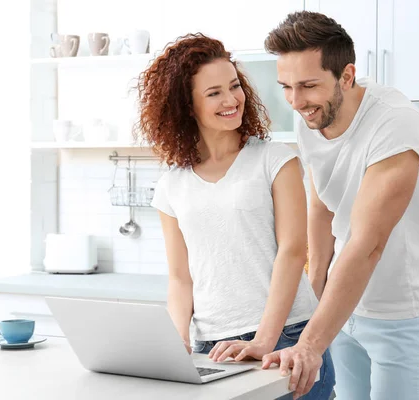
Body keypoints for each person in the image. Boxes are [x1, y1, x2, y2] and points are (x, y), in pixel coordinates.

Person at [135, 33, 335, 399]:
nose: (232, 100)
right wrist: (177, 338)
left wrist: (263, 339)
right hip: (211, 346)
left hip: (287, 337)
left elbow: (293, 252)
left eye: (234, 86)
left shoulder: (275, 159)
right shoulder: (171, 184)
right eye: (214, 93)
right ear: (186, 105)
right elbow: (181, 278)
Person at [261, 11, 419, 400]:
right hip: (344, 307)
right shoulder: (309, 115)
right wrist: (315, 290)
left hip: (401, 309)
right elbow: (322, 206)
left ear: (346, 75)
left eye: (308, 85)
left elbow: (367, 244)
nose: (296, 101)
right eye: (287, 87)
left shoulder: (395, 123)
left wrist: (309, 343)